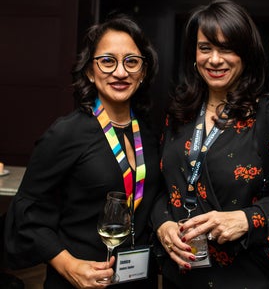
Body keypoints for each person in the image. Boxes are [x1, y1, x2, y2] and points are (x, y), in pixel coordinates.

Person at [4, 15, 162, 288]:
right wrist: (69, 266)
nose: (121, 72)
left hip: (136, 279)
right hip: (79, 281)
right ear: (90, 71)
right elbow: (28, 215)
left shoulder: (149, 133)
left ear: (143, 72)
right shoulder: (66, 133)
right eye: (107, 61)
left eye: (131, 62)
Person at [152, 0, 269, 288]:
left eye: (227, 48)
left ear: (246, 55)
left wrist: (246, 220)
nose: (215, 59)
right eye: (205, 48)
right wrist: (162, 224)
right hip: (181, 275)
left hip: (245, 277)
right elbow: (162, 188)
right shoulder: (180, 112)